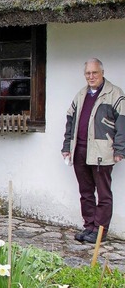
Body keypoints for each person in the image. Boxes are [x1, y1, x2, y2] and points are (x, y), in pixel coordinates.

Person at [62, 58, 125, 244]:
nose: (91, 76)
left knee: (104, 193)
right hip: (79, 149)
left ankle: (100, 231)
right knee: (86, 192)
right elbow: (70, 121)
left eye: (94, 73)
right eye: (88, 73)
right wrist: (67, 147)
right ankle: (89, 226)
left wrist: (120, 149)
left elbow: (122, 124)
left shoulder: (115, 94)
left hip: (102, 152)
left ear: (102, 73)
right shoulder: (81, 94)